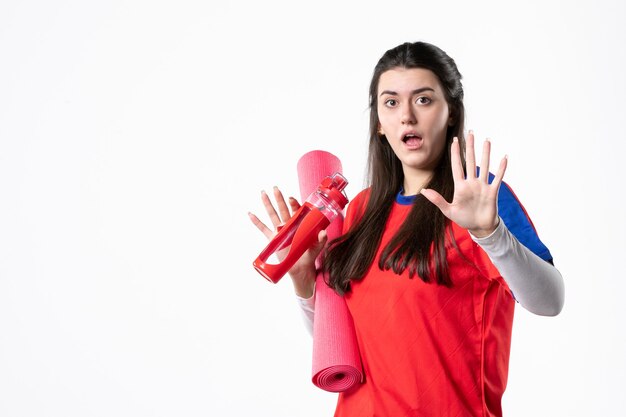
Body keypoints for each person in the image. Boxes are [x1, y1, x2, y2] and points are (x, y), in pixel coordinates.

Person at [249, 41, 564, 417]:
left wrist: (491, 234)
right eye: (391, 102)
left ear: (451, 113)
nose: (407, 117)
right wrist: (304, 286)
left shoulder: (479, 198)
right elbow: (343, 348)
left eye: (424, 100)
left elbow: (550, 301)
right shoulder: (360, 211)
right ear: (380, 124)